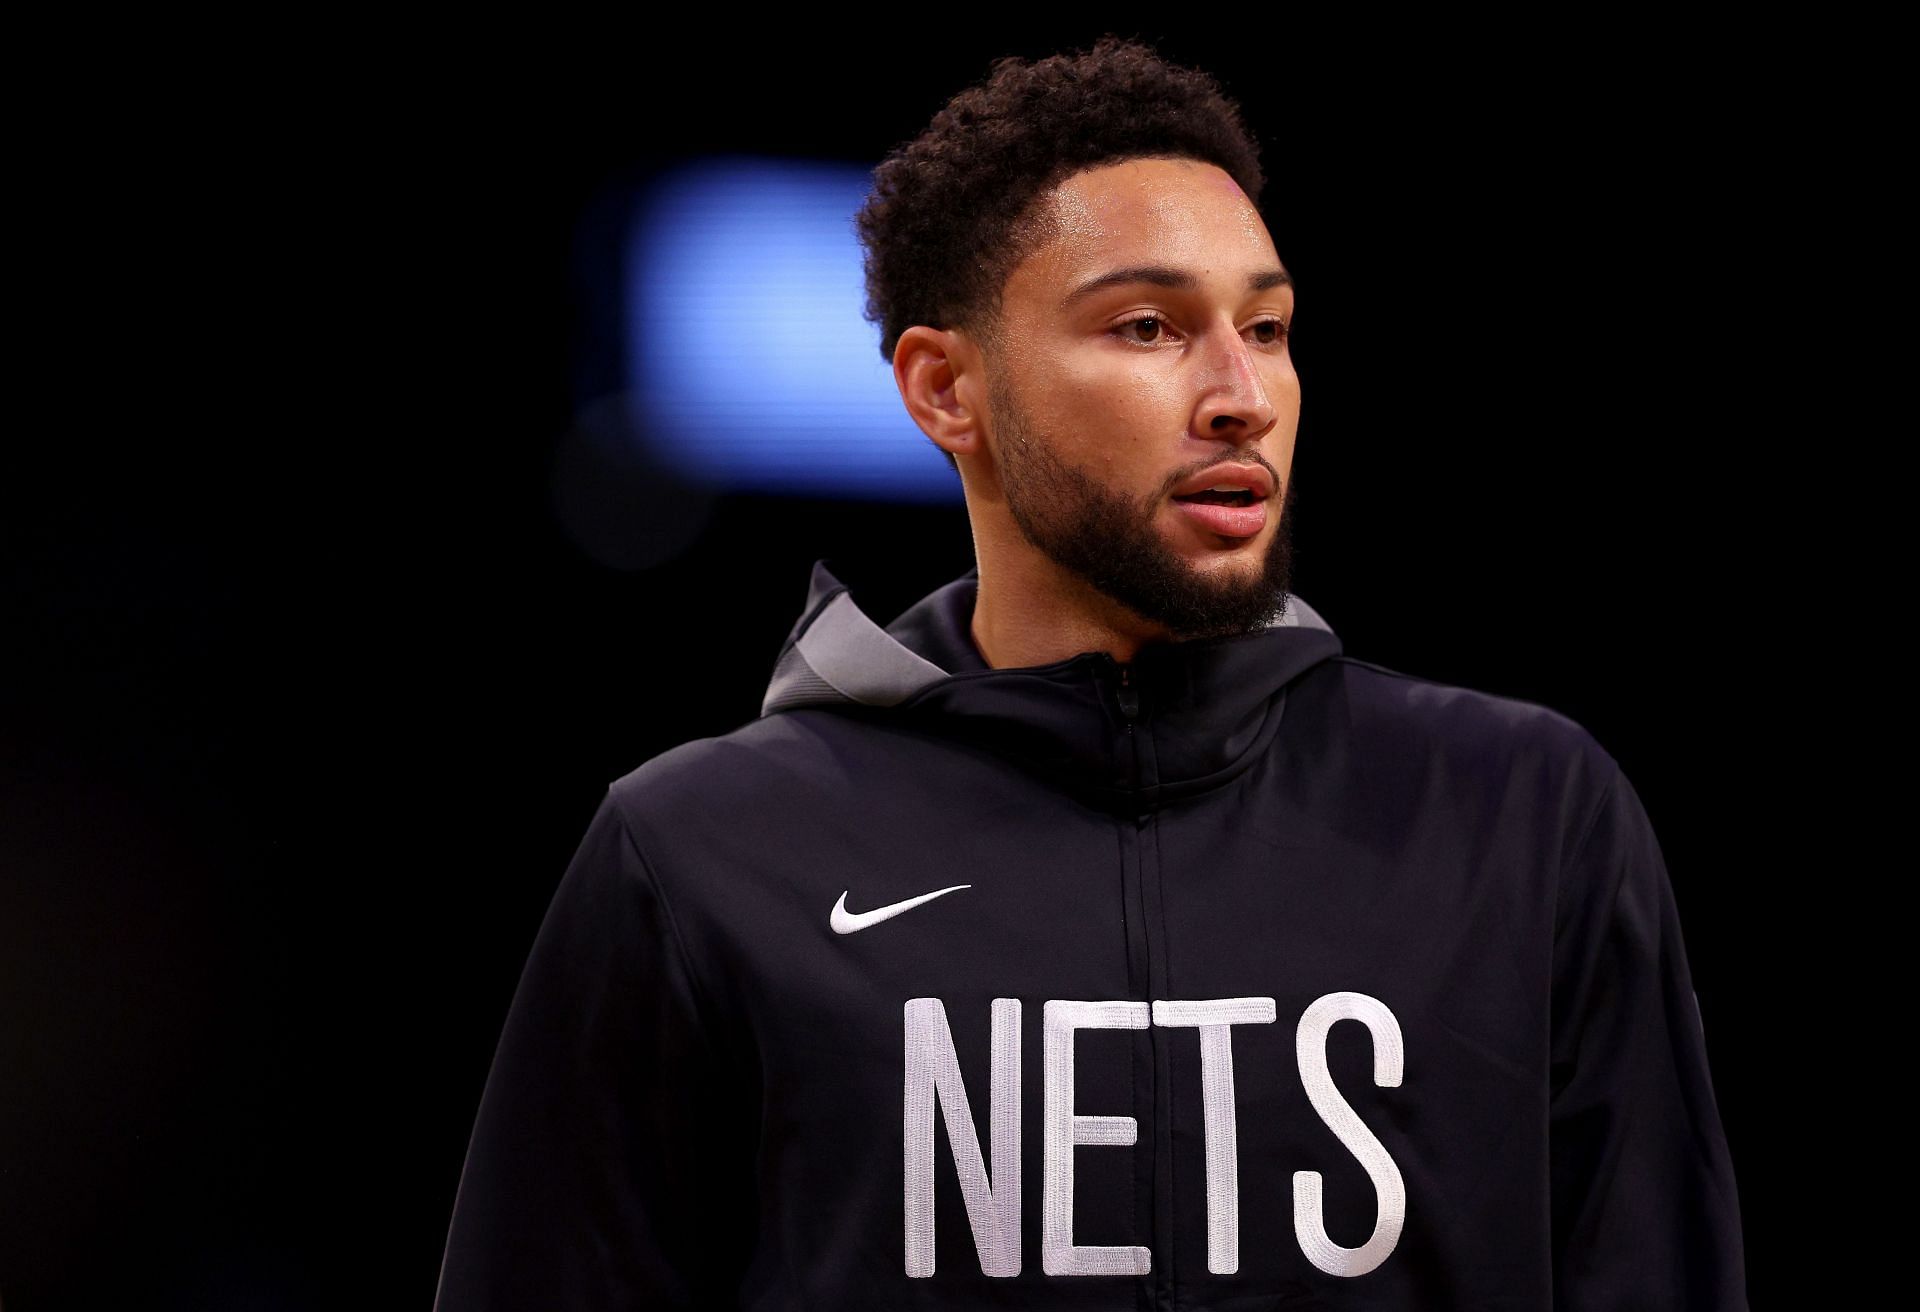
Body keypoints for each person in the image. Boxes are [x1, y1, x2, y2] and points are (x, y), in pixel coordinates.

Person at [433, 35, 1748, 1310]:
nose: (1243, 394)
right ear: (948, 389)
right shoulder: (702, 855)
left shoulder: (1526, 817)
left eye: (1270, 327)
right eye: (1147, 327)